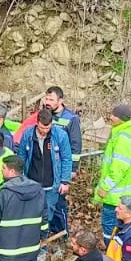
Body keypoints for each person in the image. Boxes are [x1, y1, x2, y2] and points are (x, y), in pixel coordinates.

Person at [94, 104, 131, 245]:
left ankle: (112, 251)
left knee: (109, 226)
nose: (111, 117)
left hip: (115, 195)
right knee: (125, 225)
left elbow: (118, 169)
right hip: (130, 192)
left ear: (121, 119)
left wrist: (104, 187)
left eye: (114, 115)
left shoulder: (122, 139)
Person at [17, 106, 72, 232]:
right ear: (37, 123)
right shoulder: (28, 134)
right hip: (31, 183)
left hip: (51, 185)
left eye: (48, 128)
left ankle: (43, 243)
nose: (45, 131)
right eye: (42, 128)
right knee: (29, 213)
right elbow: (21, 156)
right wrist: (20, 178)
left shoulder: (60, 136)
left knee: (47, 215)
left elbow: (66, 159)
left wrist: (65, 181)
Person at [42, 86, 82, 233]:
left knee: (59, 204)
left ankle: (62, 233)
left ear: (60, 100)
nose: (47, 102)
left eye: (51, 100)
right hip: (45, 169)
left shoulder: (71, 119)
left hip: (60, 170)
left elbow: (75, 147)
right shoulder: (44, 115)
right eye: (46, 98)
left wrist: (71, 171)